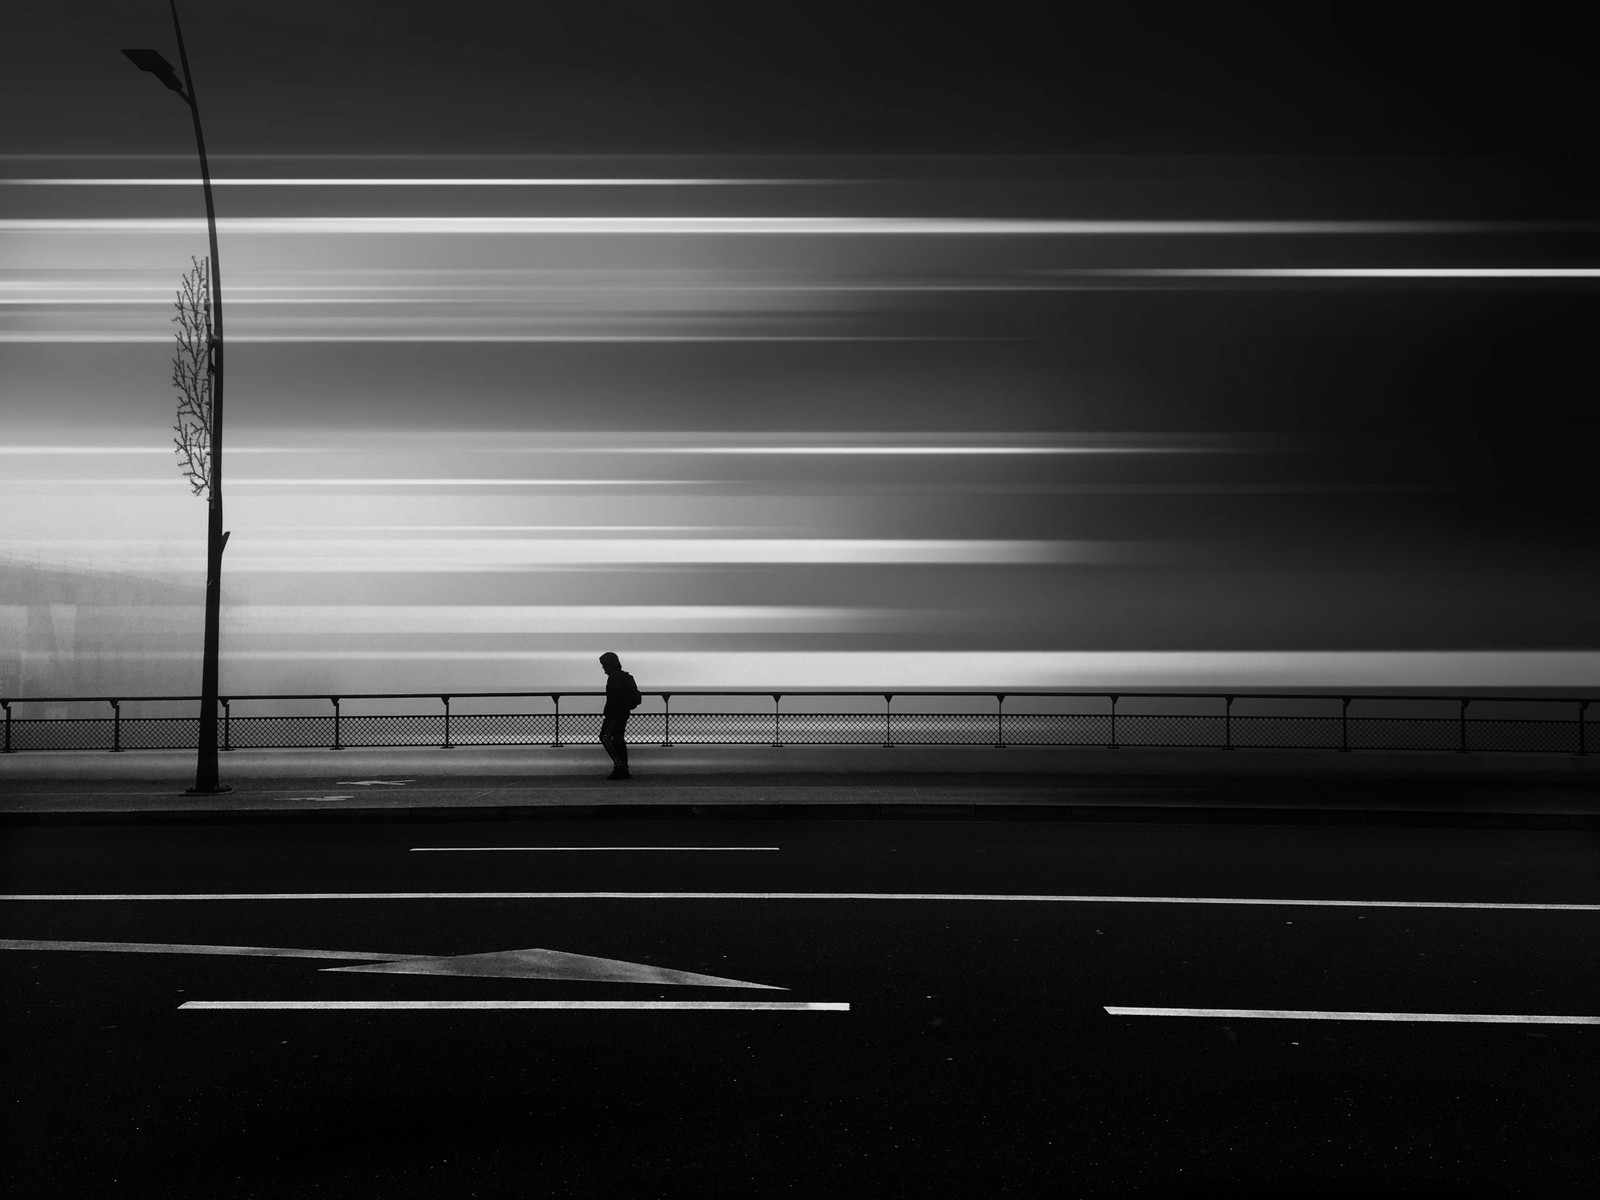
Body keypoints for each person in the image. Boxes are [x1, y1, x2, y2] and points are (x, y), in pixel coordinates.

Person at [597, 651, 640, 780]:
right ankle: (622, 767)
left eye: (604, 664)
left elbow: (615, 697)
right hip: (623, 713)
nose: (603, 667)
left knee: (605, 737)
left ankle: (620, 766)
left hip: (615, 714)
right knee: (618, 738)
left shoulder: (614, 677)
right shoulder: (624, 676)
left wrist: (609, 712)